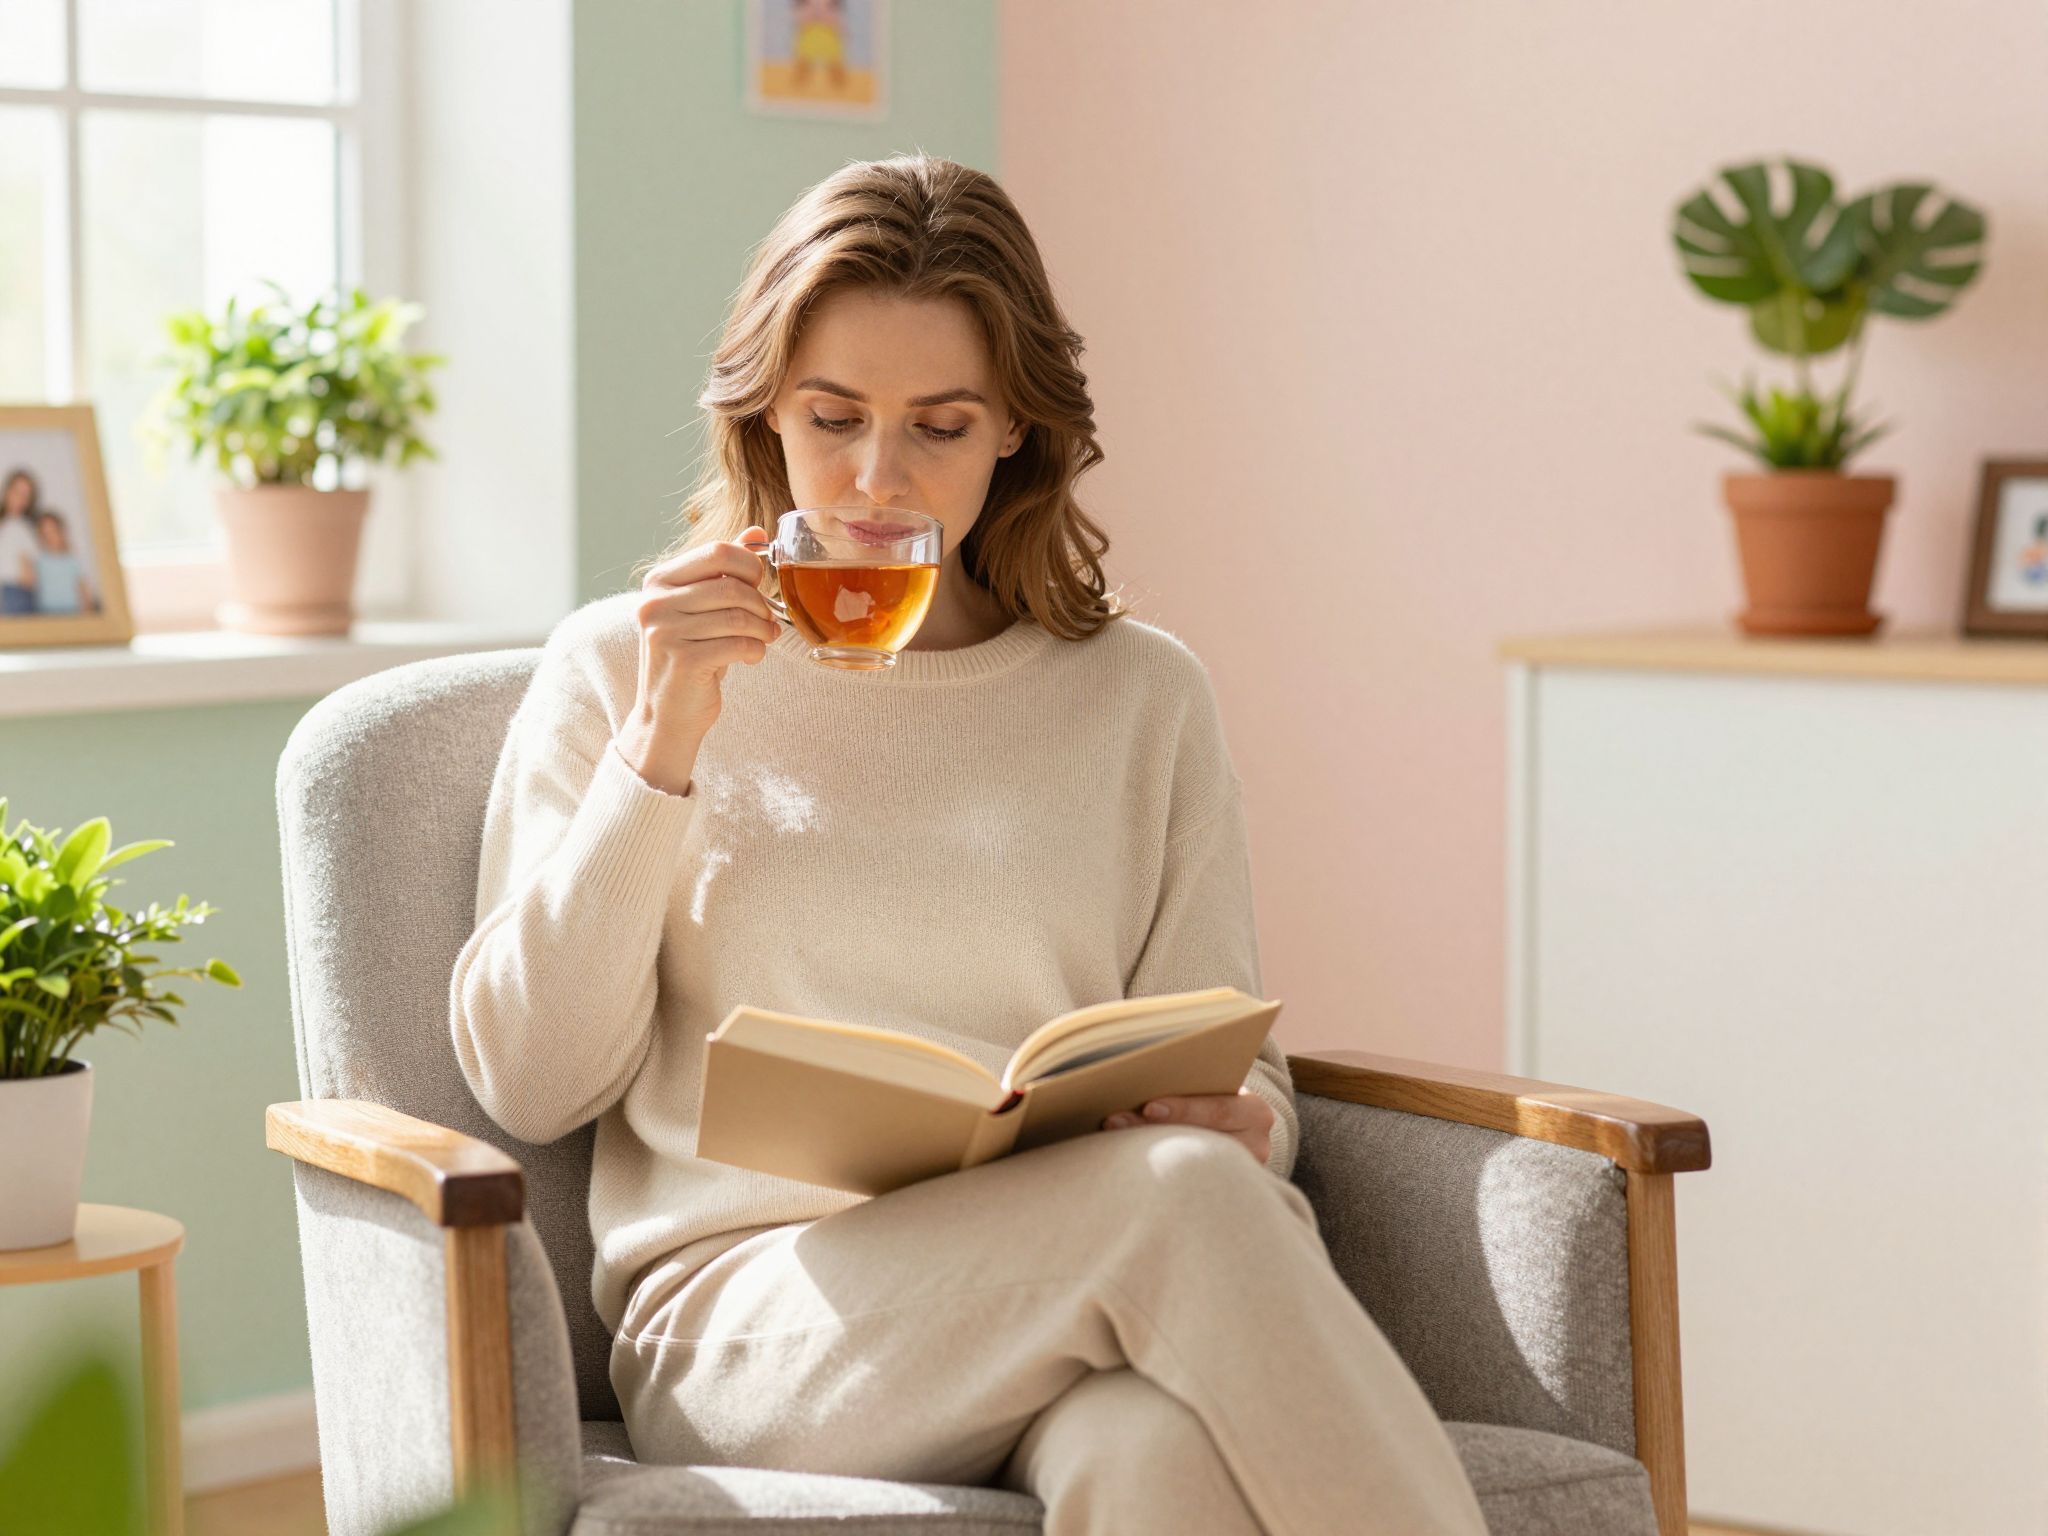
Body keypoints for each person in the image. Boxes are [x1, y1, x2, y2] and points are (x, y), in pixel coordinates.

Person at [450, 154, 1487, 1536]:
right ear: (765, 412)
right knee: (1177, 1206)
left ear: (1014, 433)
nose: (876, 479)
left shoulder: (1142, 696)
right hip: (753, 1322)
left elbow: (1235, 1063)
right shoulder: (625, 666)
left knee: (1148, 1450)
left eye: (938, 427)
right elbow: (529, 1080)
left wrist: (1248, 1122)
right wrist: (662, 747)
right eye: (832, 418)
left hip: (1059, 1292)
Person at [31, 510, 96, 616]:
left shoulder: (73, 560)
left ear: (61, 531)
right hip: (47, 614)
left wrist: (87, 612)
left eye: (53, 531)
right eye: (45, 533)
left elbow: (84, 589)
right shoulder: (39, 561)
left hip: (72, 613)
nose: (50, 537)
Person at [0, 468, 42, 615]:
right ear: (7, 491)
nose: (20, 499)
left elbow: (29, 577)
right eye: (17, 492)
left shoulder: (23, 529)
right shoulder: (6, 524)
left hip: (13, 593)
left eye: (26, 495)